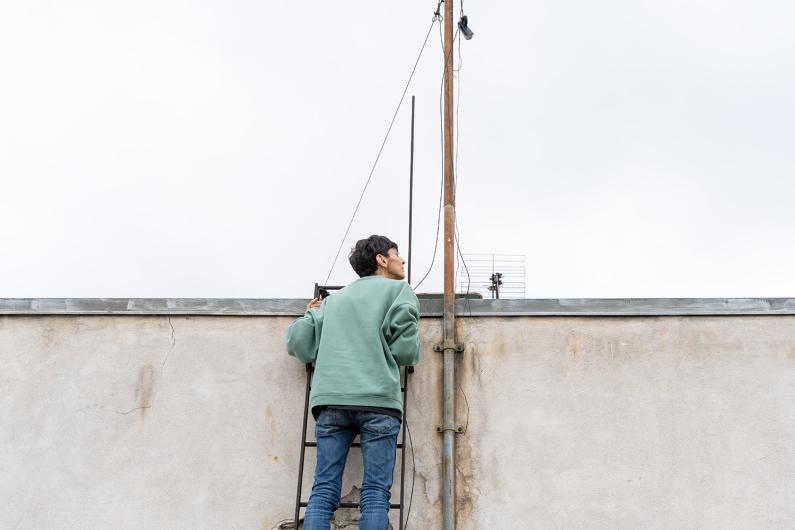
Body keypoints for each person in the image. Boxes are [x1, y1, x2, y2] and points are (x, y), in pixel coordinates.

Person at [286, 235, 420, 530]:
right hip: (378, 402)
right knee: (374, 494)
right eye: (397, 254)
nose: (402, 260)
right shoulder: (399, 291)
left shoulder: (334, 302)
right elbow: (406, 352)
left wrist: (311, 314)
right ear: (381, 260)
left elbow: (299, 345)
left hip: (331, 402)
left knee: (322, 491)